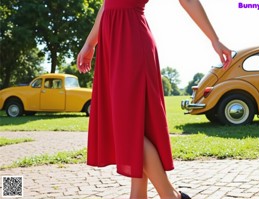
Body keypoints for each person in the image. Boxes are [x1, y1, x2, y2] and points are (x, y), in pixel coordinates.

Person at [77, 0, 231, 198]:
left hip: (131, 42)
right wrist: (90, 43)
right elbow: (108, 4)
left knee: (126, 128)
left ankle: (170, 196)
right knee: (138, 127)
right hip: (112, 44)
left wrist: (214, 39)